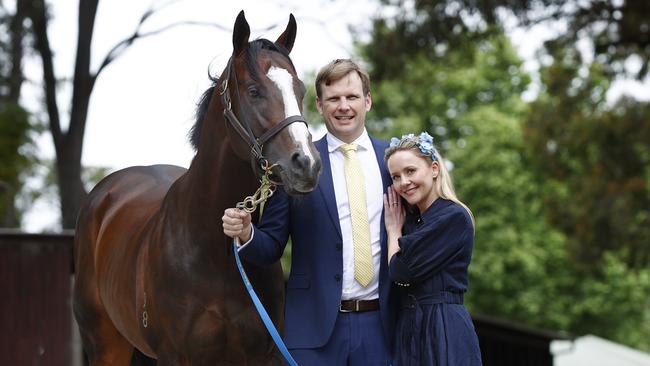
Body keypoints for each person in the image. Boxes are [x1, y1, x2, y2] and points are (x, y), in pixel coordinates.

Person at [222, 59, 394, 365]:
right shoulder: (295, 163)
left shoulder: (394, 163)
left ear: (367, 100)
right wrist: (247, 232)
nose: (343, 106)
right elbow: (270, 246)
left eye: (351, 97)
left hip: (382, 329)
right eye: (333, 99)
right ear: (319, 104)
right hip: (313, 333)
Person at [383, 131, 482, 366]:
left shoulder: (453, 216)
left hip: (442, 326)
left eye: (410, 171)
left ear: (434, 169)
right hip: (410, 327)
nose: (403, 182)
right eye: (396, 177)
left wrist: (393, 230)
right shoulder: (415, 219)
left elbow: (400, 271)